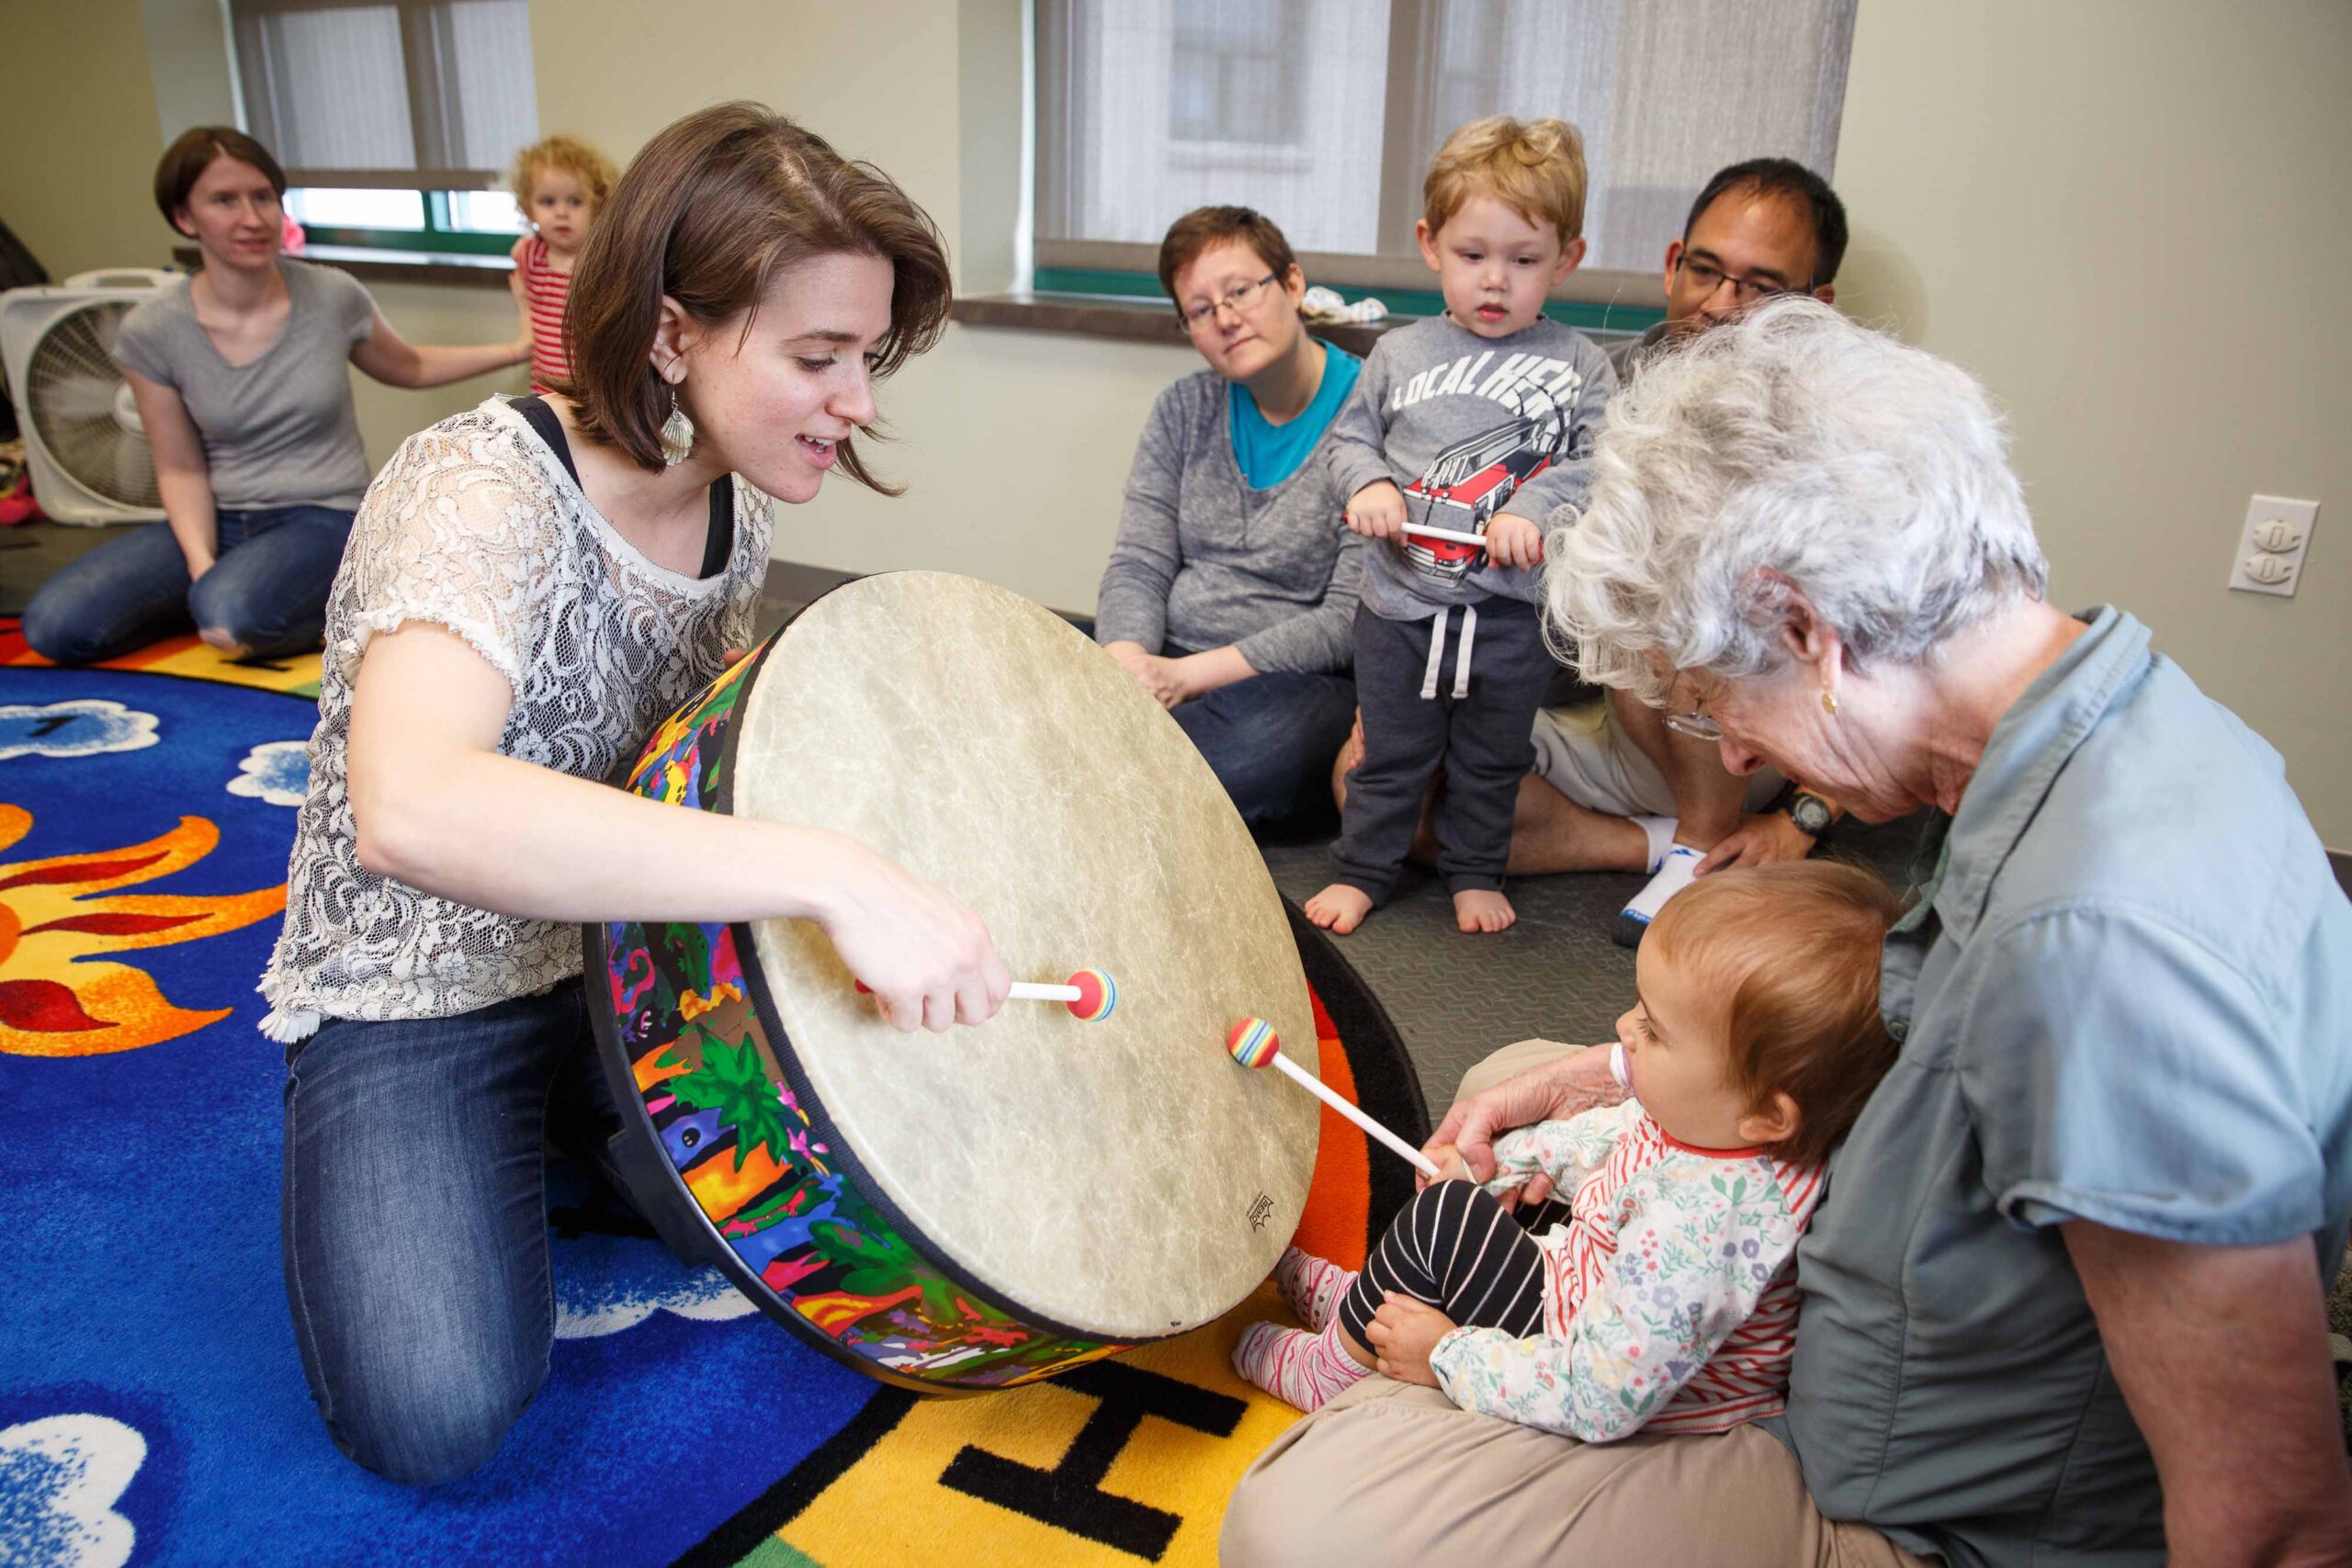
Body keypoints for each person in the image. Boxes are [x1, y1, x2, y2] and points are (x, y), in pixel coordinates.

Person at [1225, 299, 2352, 1567]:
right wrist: (1594, 1071)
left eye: (1714, 703)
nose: (1740, 754)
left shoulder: (2103, 953)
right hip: (1832, 1266)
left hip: (1906, 1498)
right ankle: (1455, 1356)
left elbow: (2274, 1517)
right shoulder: (2115, 719)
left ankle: (1429, 1374)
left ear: (1807, 629)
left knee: (1300, 1525)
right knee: (1509, 1079)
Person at [259, 102, 1013, 1486]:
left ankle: (565, 1137)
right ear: (673, 334)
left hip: (619, 951)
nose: (857, 401)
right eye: (817, 357)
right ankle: (479, 1136)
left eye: (866, 357)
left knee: (827, 1219)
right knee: (438, 1408)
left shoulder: (739, 497)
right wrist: (834, 874)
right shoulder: (479, 491)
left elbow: (704, 748)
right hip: (423, 988)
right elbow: (412, 808)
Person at [1329, 158, 1852, 943]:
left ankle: (1708, 844)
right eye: (1705, 271)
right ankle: (1658, 845)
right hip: (1599, 711)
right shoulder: (1606, 376)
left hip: (1740, 732)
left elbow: (1900, 648)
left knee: (1683, 585)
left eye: (1758, 287)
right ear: (1673, 265)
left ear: (1815, 307)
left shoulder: (1846, 432)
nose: (1720, 304)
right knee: (1361, 774)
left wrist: (1804, 817)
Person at [1236, 862, 1898, 1431]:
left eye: (1655, 1029)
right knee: (1487, 1194)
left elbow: (1601, 1394)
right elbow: (1614, 1137)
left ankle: (1335, 1367)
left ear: (1766, 1113)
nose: (1622, 1028)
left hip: (1583, 1364)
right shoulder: (1718, 1123)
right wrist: (1505, 1162)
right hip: (1589, 1292)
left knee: (1448, 1223)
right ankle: (1373, 1300)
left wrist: (1448, 1354)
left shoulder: (1704, 1229)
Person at [19, 127, 531, 667]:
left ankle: (297, 601)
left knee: (230, 614)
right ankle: (231, 602)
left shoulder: (332, 295)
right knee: (56, 625)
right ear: (185, 218)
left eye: (263, 197)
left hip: (321, 515)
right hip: (216, 516)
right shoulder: (152, 329)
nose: (253, 218)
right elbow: (179, 467)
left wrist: (515, 349)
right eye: (225, 201)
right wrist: (200, 566)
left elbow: (412, 365)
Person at [1306, 117, 1614, 936]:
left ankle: (1474, 870)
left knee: (1490, 759)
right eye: (1473, 255)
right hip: (1401, 608)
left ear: (1567, 259)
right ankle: (1366, 870)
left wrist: (1536, 508)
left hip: (1509, 618)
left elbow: (1599, 462)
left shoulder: (1581, 364)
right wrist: (1371, 483)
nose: (1495, 282)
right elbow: (1348, 440)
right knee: (1390, 753)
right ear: (1431, 244)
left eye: (1524, 261)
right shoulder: (1400, 355)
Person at [1094, 206, 1363, 833]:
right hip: (1164, 657)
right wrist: (1125, 664)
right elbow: (1140, 562)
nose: (1226, 318)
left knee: (1275, 740)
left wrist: (1184, 678)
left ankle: (1096, 778)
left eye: (1240, 290)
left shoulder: (1371, 411)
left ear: (1293, 284)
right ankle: (1122, 778)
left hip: (1292, 683)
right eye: (1200, 309)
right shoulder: (1183, 409)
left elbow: (1347, 621)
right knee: (1025, 655)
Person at [506, 132, 619, 394]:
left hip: (591, 390)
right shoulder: (531, 256)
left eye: (575, 201)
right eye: (547, 202)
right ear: (528, 208)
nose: (561, 213)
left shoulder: (600, 260)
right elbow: (518, 252)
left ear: (598, 205)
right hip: (543, 390)